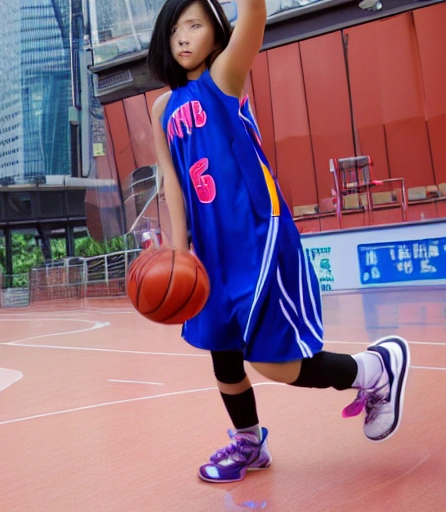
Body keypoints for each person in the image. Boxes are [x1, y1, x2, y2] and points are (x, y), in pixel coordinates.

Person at [147, 0, 410, 484]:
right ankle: (248, 443)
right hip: (210, 254)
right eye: (175, 29)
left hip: (256, 236)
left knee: (275, 364)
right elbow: (171, 180)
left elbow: (255, 15)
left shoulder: (224, 76)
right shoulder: (162, 107)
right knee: (223, 358)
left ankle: (375, 368)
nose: (183, 37)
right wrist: (179, 252)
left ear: (216, 35)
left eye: (196, 25)